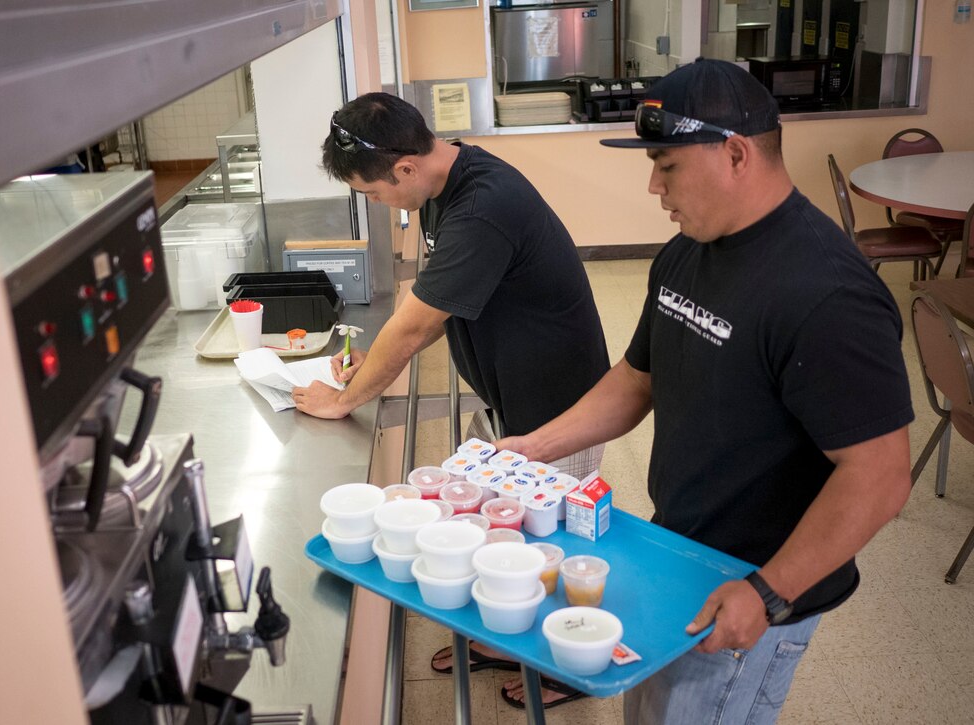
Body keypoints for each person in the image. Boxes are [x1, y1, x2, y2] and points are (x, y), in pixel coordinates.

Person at [493, 59, 913, 720]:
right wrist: (534, 446)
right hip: (682, 554)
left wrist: (768, 592)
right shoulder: (689, 250)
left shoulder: (827, 294)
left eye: (668, 165)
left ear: (736, 153)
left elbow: (881, 475)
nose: (654, 186)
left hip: (756, 583)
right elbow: (638, 378)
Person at [292, 93, 612, 704]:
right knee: (507, 525)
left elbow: (415, 327)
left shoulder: (482, 206)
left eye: (375, 193)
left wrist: (344, 399)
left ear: (406, 168)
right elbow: (434, 298)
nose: (380, 204)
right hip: (510, 389)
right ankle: (507, 635)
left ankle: (571, 663)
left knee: (555, 538)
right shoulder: (446, 184)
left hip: (559, 402)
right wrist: (365, 362)